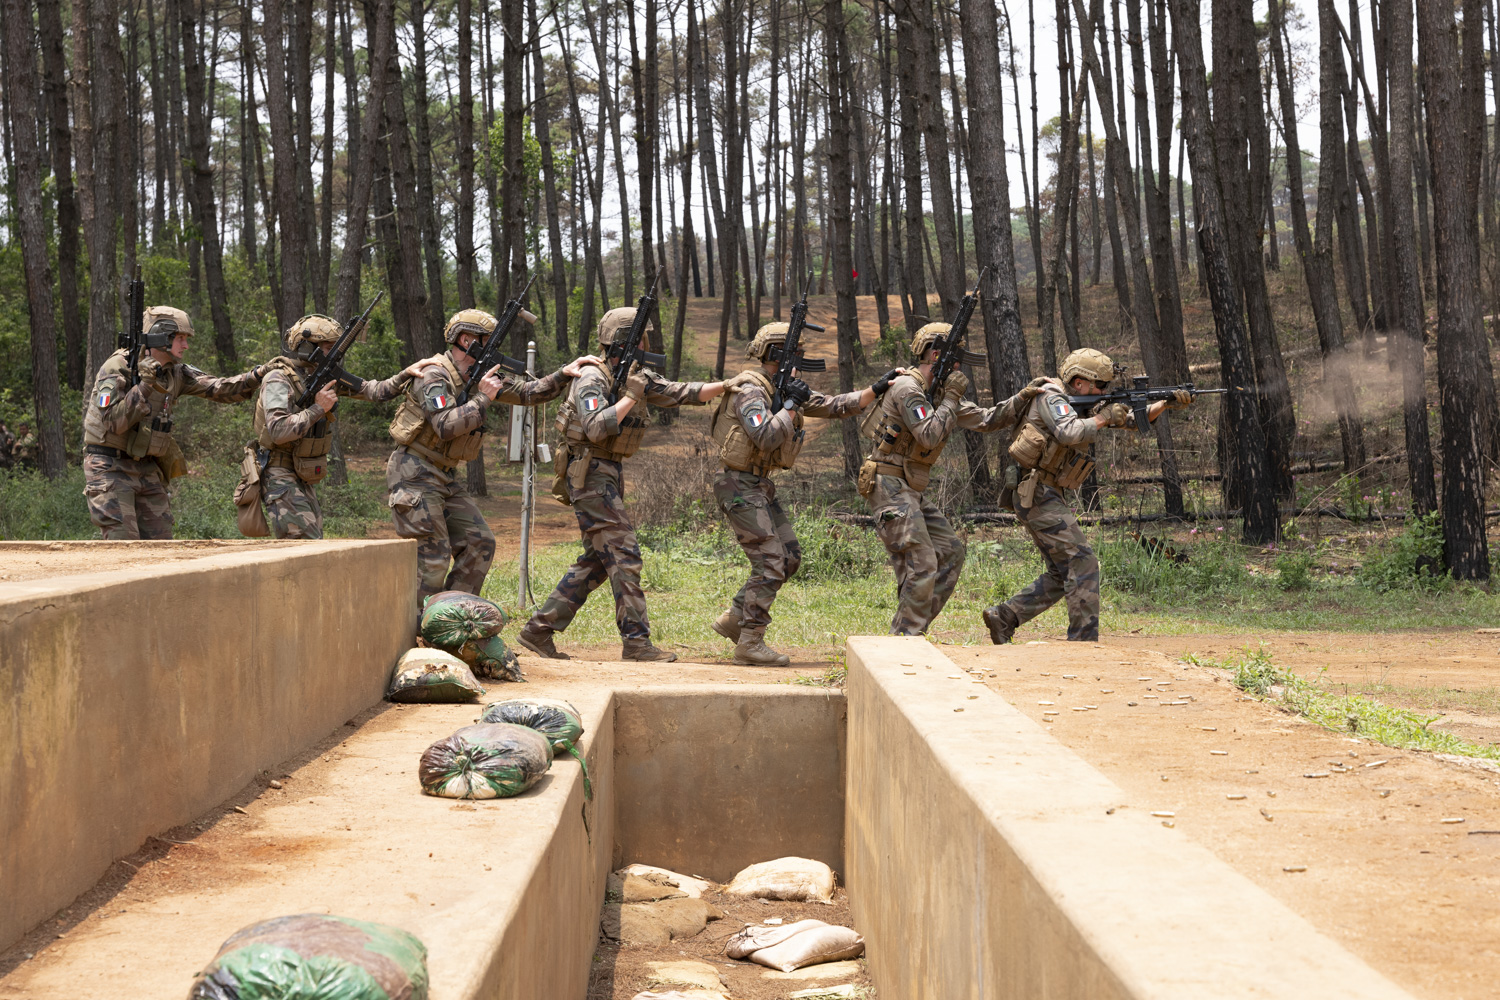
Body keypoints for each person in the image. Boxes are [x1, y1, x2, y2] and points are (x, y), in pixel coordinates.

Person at [517, 306, 726, 663]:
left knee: (598, 560)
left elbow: (680, 392)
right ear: (626, 342)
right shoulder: (592, 379)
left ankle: (539, 630)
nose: (649, 343)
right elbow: (596, 426)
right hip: (589, 474)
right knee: (624, 555)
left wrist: (726, 386)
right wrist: (630, 396)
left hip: (606, 473)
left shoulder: (631, 373)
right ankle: (636, 642)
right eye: (643, 337)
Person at [707, 321, 892, 665]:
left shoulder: (783, 389)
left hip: (759, 485)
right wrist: (790, 405)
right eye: (797, 355)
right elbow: (763, 435)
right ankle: (749, 642)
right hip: (738, 485)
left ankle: (736, 618)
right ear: (777, 355)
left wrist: (875, 390)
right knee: (770, 561)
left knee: (789, 556)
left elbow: (835, 405)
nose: (801, 361)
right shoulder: (751, 390)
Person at [386, 307, 597, 602]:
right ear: (465, 340)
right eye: (486, 340)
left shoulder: (476, 374)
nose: (491, 347)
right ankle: (415, 628)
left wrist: (564, 374)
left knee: (479, 542)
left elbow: (528, 392)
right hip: (414, 472)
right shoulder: (434, 375)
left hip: (443, 474)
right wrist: (483, 397)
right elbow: (445, 426)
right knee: (432, 560)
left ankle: (449, 617)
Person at [983, 348, 1191, 643]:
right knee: (1083, 562)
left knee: (1062, 572)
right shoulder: (1051, 398)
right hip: (1037, 491)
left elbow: (1132, 420)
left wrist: (1164, 404)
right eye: (1101, 386)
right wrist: (1104, 417)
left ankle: (1004, 616)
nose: (1105, 391)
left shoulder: (1080, 404)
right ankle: (1082, 643)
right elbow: (1068, 432)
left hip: (1044, 492)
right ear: (1079, 383)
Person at [859, 321, 1048, 636]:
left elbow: (986, 419)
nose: (960, 367)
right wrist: (951, 397)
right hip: (888, 484)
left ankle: (909, 628)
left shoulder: (942, 395)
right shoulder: (909, 388)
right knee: (921, 562)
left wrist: (1022, 397)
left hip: (909, 488)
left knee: (950, 551)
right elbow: (929, 435)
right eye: (954, 359)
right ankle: (906, 637)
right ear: (935, 356)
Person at [82, 306, 265, 538]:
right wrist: (145, 386)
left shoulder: (175, 372)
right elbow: (113, 424)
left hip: (147, 466)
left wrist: (258, 375)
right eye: (180, 338)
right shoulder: (119, 366)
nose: (186, 345)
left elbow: (219, 389)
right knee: (122, 545)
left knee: (161, 546)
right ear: (160, 335)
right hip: (109, 466)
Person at [254, 315, 425, 539]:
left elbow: (373, 390)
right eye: (327, 347)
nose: (335, 353)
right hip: (279, 471)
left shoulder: (325, 376)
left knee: (311, 542)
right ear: (307, 347)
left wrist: (405, 374)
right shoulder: (278, 379)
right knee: (302, 546)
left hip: (302, 471)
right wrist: (317, 409)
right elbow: (277, 431)